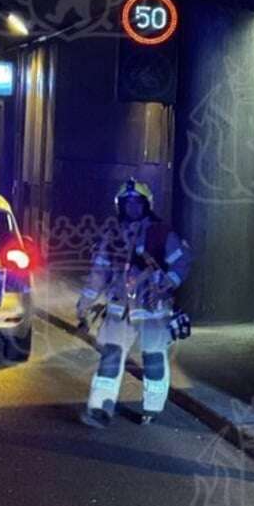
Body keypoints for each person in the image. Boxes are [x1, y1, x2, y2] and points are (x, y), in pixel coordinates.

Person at [76, 179, 193, 428]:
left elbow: (181, 264)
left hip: (152, 311)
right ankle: (99, 409)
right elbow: (99, 273)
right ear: (120, 207)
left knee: (153, 360)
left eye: (136, 203)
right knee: (110, 358)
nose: (131, 208)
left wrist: (166, 283)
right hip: (119, 311)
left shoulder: (162, 234)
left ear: (146, 205)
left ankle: (152, 409)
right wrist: (84, 304)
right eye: (126, 204)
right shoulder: (112, 235)